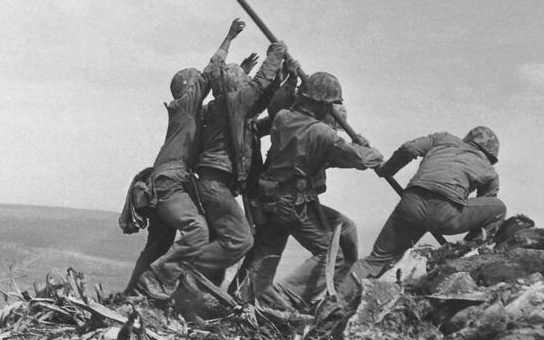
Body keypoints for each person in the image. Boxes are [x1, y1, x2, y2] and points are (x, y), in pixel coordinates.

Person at [239, 72, 384, 310]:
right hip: (292, 202)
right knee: (333, 254)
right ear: (322, 104)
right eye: (329, 105)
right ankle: (287, 296)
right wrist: (371, 150)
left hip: (270, 198)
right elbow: (359, 159)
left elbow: (315, 153)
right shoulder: (322, 133)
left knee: (342, 230)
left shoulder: (283, 118)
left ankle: (246, 296)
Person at [128, 19, 246, 298]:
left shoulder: (189, 115)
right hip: (170, 182)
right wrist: (229, 38)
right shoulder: (184, 106)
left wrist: (241, 75)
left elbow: (223, 97)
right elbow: (210, 74)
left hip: (163, 183)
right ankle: (158, 280)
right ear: (189, 89)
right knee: (198, 230)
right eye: (197, 87)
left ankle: (132, 295)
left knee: (158, 244)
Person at [187, 40, 290, 285]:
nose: (248, 85)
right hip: (215, 185)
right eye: (244, 82)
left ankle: (195, 290)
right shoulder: (232, 102)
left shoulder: (225, 108)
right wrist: (275, 55)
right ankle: (179, 267)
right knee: (241, 241)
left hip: (214, 184)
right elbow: (260, 84)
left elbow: (262, 100)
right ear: (236, 86)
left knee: (223, 243)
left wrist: (284, 79)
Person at [347, 126, 506, 283]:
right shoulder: (490, 171)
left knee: (375, 261)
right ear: (490, 155)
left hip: (411, 205)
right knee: (498, 208)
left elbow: (409, 148)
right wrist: (467, 245)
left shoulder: (443, 139)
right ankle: (467, 255)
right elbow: (483, 213)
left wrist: (386, 170)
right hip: (446, 215)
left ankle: (333, 297)